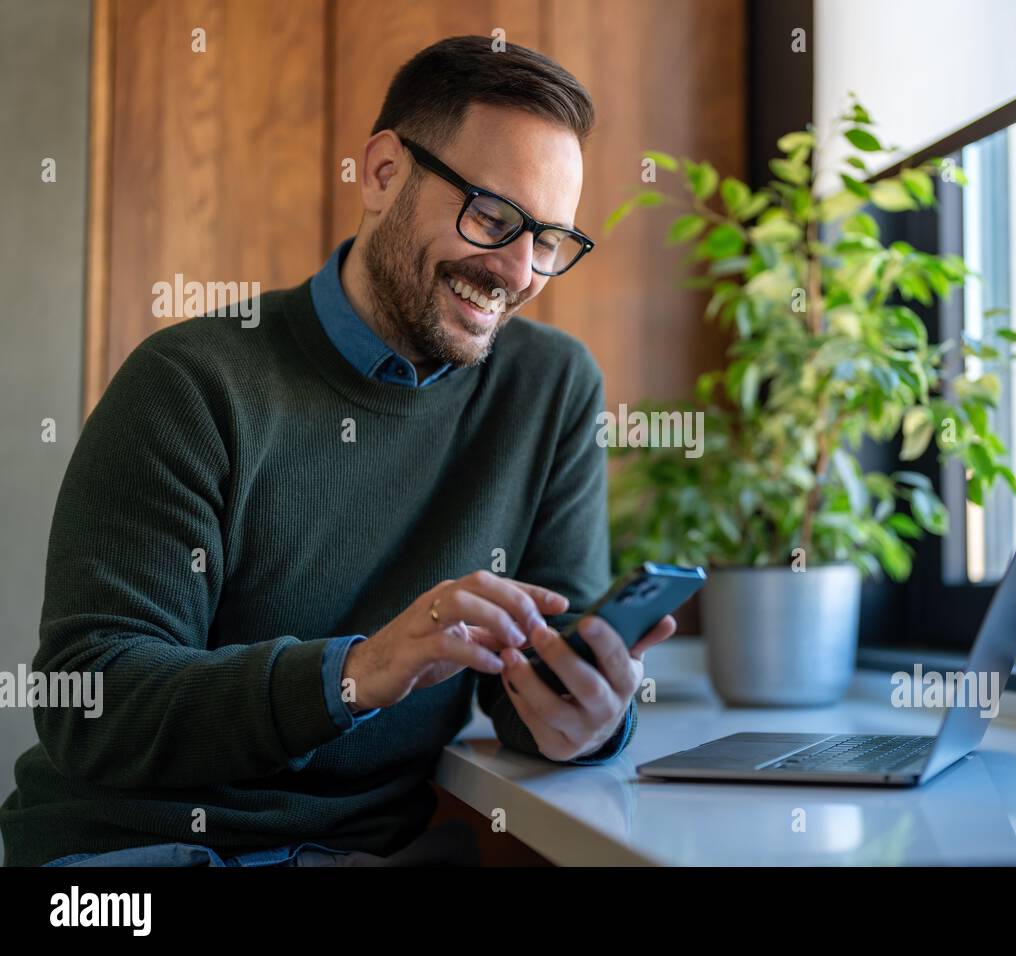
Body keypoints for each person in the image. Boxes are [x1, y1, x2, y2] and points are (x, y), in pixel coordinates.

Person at [0, 35, 674, 867]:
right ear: (384, 172)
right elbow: (89, 700)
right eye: (492, 217)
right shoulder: (193, 383)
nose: (515, 271)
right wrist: (356, 671)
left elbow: (533, 668)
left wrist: (594, 717)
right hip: (132, 859)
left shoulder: (549, 389)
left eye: (548, 241)